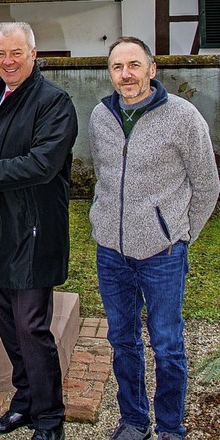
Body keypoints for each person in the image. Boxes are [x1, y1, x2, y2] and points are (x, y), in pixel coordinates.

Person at [0, 22, 77, 440]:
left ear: (33, 54)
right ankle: (24, 403)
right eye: (1, 54)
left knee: (31, 327)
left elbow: (43, 163)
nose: (7, 61)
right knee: (8, 325)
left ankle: (50, 419)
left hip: (32, 231)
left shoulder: (54, 102)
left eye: (16, 53)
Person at [88, 36, 219, 440]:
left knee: (167, 346)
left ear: (151, 69)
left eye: (133, 65)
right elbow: (105, 177)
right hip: (111, 253)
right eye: (116, 67)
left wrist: (179, 235)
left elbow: (207, 185)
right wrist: (104, 221)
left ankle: (170, 428)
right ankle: (133, 421)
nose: (125, 74)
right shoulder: (99, 115)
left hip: (162, 253)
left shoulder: (183, 116)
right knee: (123, 341)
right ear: (109, 72)